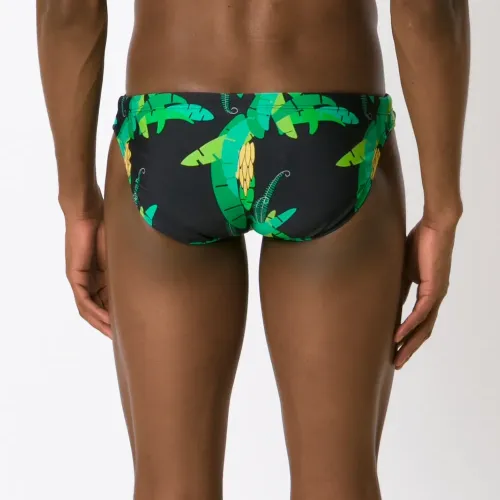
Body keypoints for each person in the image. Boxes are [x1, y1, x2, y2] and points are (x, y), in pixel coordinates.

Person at [37, 0, 469, 498]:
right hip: (327, 123)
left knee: (169, 488)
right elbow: (428, 9)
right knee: (338, 486)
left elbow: (67, 10)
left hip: (168, 123)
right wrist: (442, 211)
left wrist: (78, 204)